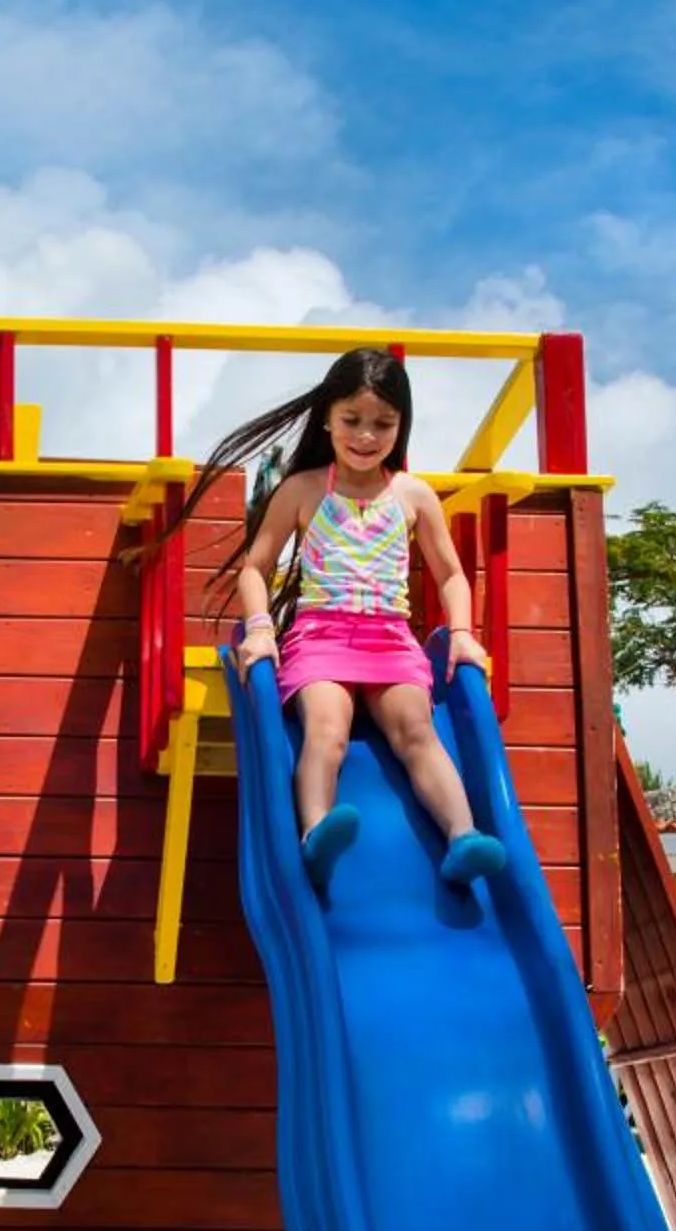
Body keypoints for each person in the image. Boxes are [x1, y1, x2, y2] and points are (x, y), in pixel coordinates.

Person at [190, 345, 504, 894]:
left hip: (390, 641)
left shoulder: (413, 495)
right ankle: (315, 834)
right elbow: (255, 568)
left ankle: (462, 838)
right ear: (328, 419)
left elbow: (451, 575)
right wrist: (261, 628)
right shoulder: (305, 488)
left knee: (417, 732)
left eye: (382, 423)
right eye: (352, 420)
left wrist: (461, 634)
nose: (366, 435)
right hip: (322, 639)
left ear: (401, 425)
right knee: (327, 730)